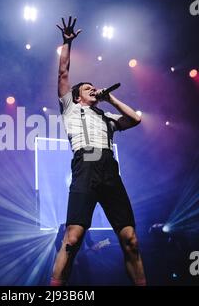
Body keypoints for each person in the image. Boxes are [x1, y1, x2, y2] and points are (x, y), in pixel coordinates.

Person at [50, 17, 146, 286]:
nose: (92, 89)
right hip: (85, 165)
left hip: (108, 169)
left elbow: (135, 119)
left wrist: (109, 98)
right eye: (87, 88)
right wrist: (67, 43)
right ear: (77, 96)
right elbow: (63, 74)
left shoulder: (106, 117)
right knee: (73, 239)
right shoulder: (70, 107)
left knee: (131, 240)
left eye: (94, 88)